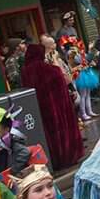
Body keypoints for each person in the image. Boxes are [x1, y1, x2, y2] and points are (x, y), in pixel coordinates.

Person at [19, 42, 84, 171]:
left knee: (46, 135)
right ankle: (67, 156)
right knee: (61, 130)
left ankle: (52, 160)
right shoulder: (52, 70)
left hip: (38, 112)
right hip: (57, 109)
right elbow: (63, 90)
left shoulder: (25, 73)